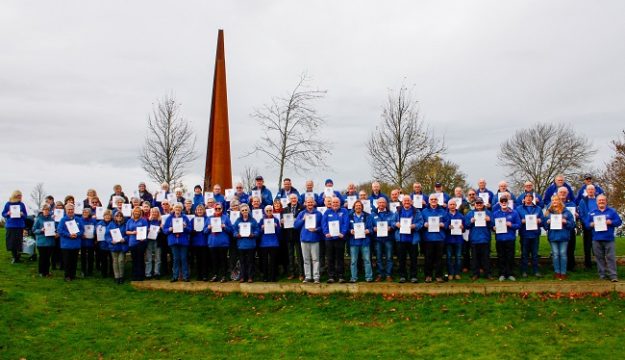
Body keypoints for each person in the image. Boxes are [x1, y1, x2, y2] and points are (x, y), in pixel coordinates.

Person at [585, 195, 623, 282]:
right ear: (597, 202)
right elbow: (586, 224)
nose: (601, 202)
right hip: (596, 239)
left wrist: (611, 222)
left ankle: (613, 276)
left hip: (609, 239)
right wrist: (591, 224)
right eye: (599, 200)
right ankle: (602, 276)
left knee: (611, 257)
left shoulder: (612, 211)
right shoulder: (592, 212)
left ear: (606, 201)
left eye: (603, 200)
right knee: (599, 258)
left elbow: (619, 222)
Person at [543, 196, 575, 280]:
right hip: (553, 236)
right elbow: (545, 226)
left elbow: (572, 224)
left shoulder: (566, 212)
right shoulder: (548, 212)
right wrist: (547, 222)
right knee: (556, 254)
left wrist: (566, 222)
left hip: (563, 236)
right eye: (553, 200)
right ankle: (557, 272)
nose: (554, 201)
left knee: (563, 254)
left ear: (560, 201)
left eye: (556, 200)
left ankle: (563, 272)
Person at [294, 197, 323, 283]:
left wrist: (316, 229)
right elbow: (296, 226)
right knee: (306, 260)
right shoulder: (301, 213)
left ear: (314, 203)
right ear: (305, 203)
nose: (310, 204)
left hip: (315, 239)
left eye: (311, 202)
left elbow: (322, 227)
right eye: (308, 202)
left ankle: (316, 277)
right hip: (304, 239)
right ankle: (308, 276)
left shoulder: (318, 214)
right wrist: (303, 219)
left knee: (315, 259)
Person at [395, 195, 424, 283]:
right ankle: (402, 276)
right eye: (405, 201)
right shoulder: (398, 211)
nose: (407, 202)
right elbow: (392, 221)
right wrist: (396, 224)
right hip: (401, 239)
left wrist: (415, 226)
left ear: (411, 202)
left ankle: (413, 276)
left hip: (413, 239)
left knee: (413, 259)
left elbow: (421, 222)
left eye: (408, 201)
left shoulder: (416, 211)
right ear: (402, 202)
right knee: (401, 259)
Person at [492, 196, 521, 281]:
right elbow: (492, 225)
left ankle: (510, 273)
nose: (504, 203)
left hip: (510, 238)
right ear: (500, 203)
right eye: (502, 201)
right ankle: (502, 273)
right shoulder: (496, 213)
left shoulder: (514, 213)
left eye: (505, 201)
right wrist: (493, 228)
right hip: (500, 239)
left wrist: (511, 225)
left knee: (510, 257)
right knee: (501, 256)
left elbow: (519, 225)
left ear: (508, 202)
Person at [516, 193, 544, 277]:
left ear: (532, 199)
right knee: (524, 254)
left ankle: (536, 271)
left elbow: (543, 220)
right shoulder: (519, 208)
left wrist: (540, 221)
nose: (528, 198)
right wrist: (521, 221)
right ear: (523, 199)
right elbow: (516, 220)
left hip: (535, 234)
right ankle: (524, 271)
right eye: (526, 197)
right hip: (524, 234)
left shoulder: (538, 209)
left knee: (535, 254)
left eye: (530, 197)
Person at [322, 196, 349, 283]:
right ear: (331, 203)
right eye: (333, 202)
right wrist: (326, 233)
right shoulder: (327, 212)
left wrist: (343, 233)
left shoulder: (344, 211)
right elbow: (324, 223)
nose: (335, 204)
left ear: (340, 203)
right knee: (330, 258)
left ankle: (341, 276)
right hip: (329, 239)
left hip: (340, 238)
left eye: (337, 202)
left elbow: (346, 222)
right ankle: (331, 276)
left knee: (340, 257)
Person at [465, 197, 493, 280]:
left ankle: (487, 273)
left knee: (486, 258)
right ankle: (475, 274)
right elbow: (466, 226)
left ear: (483, 203)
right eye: (477, 203)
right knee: (474, 258)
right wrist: (471, 221)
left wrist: (489, 220)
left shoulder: (488, 213)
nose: (479, 205)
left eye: (480, 203)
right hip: (474, 238)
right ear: (475, 204)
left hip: (485, 238)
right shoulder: (470, 213)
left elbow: (493, 226)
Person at [421, 194, 447, 283]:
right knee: (428, 258)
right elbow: (421, 223)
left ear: (437, 200)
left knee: (439, 258)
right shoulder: (424, 211)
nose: (433, 201)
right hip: (428, 238)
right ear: (429, 201)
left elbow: (447, 222)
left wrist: (443, 224)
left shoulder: (443, 211)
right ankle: (428, 275)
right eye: (431, 199)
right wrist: (424, 224)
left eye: (435, 199)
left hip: (440, 238)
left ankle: (438, 276)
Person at [162, 203, 191, 282]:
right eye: (176, 208)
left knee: (184, 258)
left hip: (183, 241)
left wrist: (185, 227)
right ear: (173, 209)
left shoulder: (185, 218)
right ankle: (175, 276)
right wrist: (169, 229)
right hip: (173, 241)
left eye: (179, 208)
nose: (177, 209)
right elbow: (164, 230)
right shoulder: (169, 218)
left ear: (181, 209)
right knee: (176, 259)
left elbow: (190, 230)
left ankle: (185, 276)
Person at [57, 203, 84, 281]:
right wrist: (69, 235)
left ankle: (73, 275)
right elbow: (60, 230)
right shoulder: (63, 220)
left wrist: (77, 234)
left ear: (74, 210)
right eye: (68, 209)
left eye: (71, 209)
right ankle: (67, 276)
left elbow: (82, 230)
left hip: (75, 244)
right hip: (66, 244)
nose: (70, 211)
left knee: (74, 261)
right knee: (67, 261)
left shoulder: (78, 219)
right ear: (66, 210)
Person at [206, 202, 232, 282]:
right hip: (213, 243)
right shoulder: (209, 218)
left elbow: (231, 230)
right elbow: (204, 231)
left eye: (219, 208)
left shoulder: (226, 218)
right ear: (214, 209)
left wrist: (225, 227)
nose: (217, 210)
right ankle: (215, 275)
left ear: (222, 209)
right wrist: (208, 228)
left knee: (223, 260)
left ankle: (223, 276)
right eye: (216, 208)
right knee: (214, 261)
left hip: (223, 243)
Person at [233, 203, 259, 283]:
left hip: (250, 244)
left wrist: (254, 234)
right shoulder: (237, 221)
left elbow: (257, 230)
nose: (244, 211)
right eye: (243, 210)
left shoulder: (253, 220)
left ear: (248, 211)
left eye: (246, 210)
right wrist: (237, 234)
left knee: (250, 262)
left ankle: (250, 277)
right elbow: (234, 230)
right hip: (241, 244)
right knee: (242, 262)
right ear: (240, 211)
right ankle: (242, 277)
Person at [348, 200, 373, 283]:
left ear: (362, 207)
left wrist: (368, 231)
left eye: (359, 205)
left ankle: (369, 277)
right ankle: (354, 277)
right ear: (354, 207)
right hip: (354, 242)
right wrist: (350, 231)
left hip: (365, 242)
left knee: (367, 260)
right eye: (356, 206)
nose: (358, 207)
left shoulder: (367, 216)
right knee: (353, 261)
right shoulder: (350, 216)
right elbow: (346, 228)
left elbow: (372, 228)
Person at [371, 197, 395, 282]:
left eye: (383, 203)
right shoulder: (373, 214)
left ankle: (388, 274)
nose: (381, 204)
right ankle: (380, 274)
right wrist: (373, 228)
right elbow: (369, 226)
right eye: (379, 203)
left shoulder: (391, 213)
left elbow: (394, 224)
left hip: (388, 239)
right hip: (377, 239)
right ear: (377, 204)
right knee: (378, 258)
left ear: (386, 204)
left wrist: (391, 227)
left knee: (389, 257)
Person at [3, 190, 28, 264]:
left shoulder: (22, 204)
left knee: (19, 242)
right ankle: (14, 257)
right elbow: (3, 213)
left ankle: (18, 257)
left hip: (19, 225)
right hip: (10, 225)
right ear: (15, 196)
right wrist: (7, 213)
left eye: (21, 196)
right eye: (19, 196)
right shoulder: (8, 204)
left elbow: (25, 215)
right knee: (11, 242)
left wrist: (22, 214)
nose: (20, 197)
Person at [557, 187, 579, 272]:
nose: (562, 194)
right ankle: (559, 267)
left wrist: (577, 215)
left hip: (569, 229)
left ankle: (571, 266)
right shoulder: (553, 204)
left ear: (567, 194)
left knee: (570, 248)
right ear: (558, 193)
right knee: (559, 250)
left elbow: (576, 217)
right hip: (558, 230)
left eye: (564, 192)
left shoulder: (572, 204)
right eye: (561, 192)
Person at [283, 193, 304, 280]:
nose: (293, 200)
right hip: (289, 234)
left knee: (299, 255)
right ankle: (292, 273)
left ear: (297, 199)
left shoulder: (302, 208)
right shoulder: (286, 209)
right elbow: (283, 220)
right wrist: (282, 220)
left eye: (295, 198)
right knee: (290, 255)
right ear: (289, 200)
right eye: (292, 199)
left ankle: (301, 273)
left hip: (298, 234)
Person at [578, 184, 598, 269]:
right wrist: (586, 223)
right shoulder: (583, 201)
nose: (590, 191)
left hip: (598, 226)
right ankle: (588, 264)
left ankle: (600, 264)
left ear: (595, 191)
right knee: (587, 246)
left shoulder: (599, 199)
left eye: (592, 189)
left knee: (598, 245)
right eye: (589, 189)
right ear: (586, 191)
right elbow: (581, 214)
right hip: (587, 226)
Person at [259, 205, 281, 282]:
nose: (269, 212)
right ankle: (265, 277)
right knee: (264, 261)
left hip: (274, 242)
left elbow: (279, 233)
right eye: (267, 210)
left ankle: (273, 277)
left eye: (270, 210)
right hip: (264, 243)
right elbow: (259, 233)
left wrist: (277, 227)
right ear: (265, 211)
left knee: (273, 261)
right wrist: (262, 228)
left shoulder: (276, 220)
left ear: (272, 211)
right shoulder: (262, 220)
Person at [32, 204, 55, 277]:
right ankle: (41, 272)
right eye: (45, 209)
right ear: (42, 210)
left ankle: (47, 272)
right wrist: (41, 230)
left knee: (48, 258)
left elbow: (55, 228)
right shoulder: (38, 219)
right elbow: (34, 230)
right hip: (41, 242)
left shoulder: (52, 219)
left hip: (50, 241)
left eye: (48, 209)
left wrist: (55, 231)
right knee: (42, 258)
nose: (46, 211)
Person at [126, 206, 148, 281]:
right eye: (135, 211)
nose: (137, 213)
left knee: (140, 259)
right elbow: (126, 231)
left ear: (140, 212)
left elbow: (146, 230)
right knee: (134, 259)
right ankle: (134, 275)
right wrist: (133, 232)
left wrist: (143, 236)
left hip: (141, 242)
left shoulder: (143, 220)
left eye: (138, 211)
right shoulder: (129, 221)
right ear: (133, 212)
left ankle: (141, 275)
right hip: (132, 242)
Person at [106, 210, 128, 284]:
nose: (119, 217)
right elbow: (107, 235)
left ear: (122, 217)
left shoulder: (125, 224)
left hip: (122, 246)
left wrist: (124, 239)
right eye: (117, 216)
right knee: (115, 262)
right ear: (114, 217)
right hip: (114, 246)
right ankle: (116, 277)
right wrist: (111, 240)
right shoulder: (111, 224)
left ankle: (121, 276)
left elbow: (128, 234)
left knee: (121, 261)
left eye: (120, 216)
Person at [445, 199, 464, 280]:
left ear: (456, 206)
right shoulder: (445, 215)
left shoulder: (461, 216)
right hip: (448, 239)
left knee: (458, 257)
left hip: (458, 239)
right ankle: (450, 273)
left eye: (454, 204)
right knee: (449, 257)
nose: (452, 206)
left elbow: (464, 228)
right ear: (448, 206)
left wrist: (462, 227)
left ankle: (457, 273)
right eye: (451, 204)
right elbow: (443, 226)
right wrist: (447, 227)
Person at [190, 204, 209, 281]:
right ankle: (199, 275)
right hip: (196, 242)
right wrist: (192, 231)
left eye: (201, 210)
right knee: (197, 260)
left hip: (205, 242)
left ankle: (205, 275)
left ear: (204, 211)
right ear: (196, 211)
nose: (199, 211)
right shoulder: (193, 220)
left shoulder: (207, 219)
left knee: (204, 260)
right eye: (198, 210)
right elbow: (189, 229)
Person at [145, 207, 162, 279]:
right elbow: (143, 229)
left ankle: (156, 273)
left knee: (158, 257)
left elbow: (164, 231)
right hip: (149, 240)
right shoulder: (147, 221)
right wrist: (147, 230)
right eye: (153, 212)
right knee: (148, 258)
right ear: (150, 213)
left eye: (156, 212)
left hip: (158, 240)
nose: (154, 213)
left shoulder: (161, 221)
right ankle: (148, 273)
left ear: (158, 213)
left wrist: (160, 230)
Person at [96, 210, 113, 278]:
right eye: (106, 215)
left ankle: (112, 273)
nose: (107, 216)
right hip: (103, 244)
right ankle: (104, 273)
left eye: (109, 215)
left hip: (111, 244)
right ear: (103, 216)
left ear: (111, 216)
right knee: (103, 260)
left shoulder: (113, 223)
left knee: (112, 260)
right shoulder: (99, 224)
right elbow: (95, 232)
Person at [80, 208, 96, 277]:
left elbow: (96, 229)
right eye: (83, 212)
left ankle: (90, 271)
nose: (85, 213)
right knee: (83, 257)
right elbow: (77, 229)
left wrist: (94, 234)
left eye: (86, 212)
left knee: (91, 257)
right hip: (82, 241)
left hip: (91, 241)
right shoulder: (80, 220)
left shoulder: (93, 221)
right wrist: (81, 235)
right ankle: (83, 271)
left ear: (89, 213)